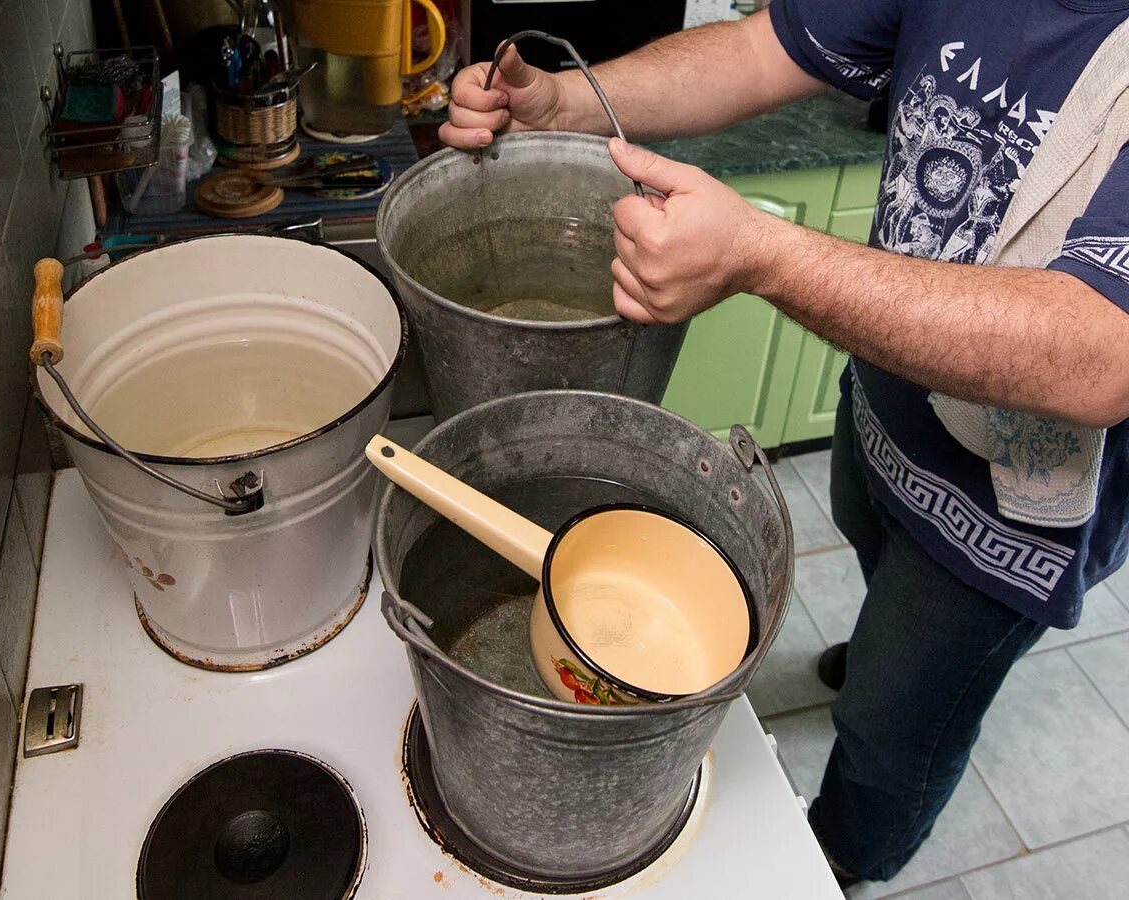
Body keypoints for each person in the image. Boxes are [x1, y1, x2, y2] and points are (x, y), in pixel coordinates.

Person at [442, 2, 1129, 889]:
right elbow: (764, 49)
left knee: (893, 733)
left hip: (1005, 524)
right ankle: (883, 640)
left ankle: (844, 857)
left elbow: (1100, 353)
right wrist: (567, 101)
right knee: (870, 548)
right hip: (886, 412)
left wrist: (762, 256)